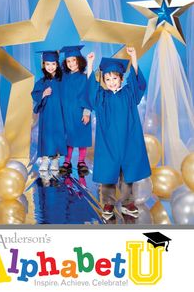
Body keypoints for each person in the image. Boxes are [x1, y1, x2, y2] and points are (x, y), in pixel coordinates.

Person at [86, 47, 151, 220]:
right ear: (104, 81)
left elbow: (139, 84)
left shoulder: (129, 93)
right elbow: (90, 91)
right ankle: (108, 203)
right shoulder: (102, 97)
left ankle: (128, 203)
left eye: (115, 78)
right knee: (108, 173)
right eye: (107, 79)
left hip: (128, 139)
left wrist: (134, 58)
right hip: (108, 142)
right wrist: (90, 64)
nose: (111, 82)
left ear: (121, 78)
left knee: (127, 173)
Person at [59, 45, 92, 183]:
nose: (71, 63)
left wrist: (87, 112)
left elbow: (89, 94)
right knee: (68, 139)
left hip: (80, 112)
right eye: (68, 61)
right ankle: (67, 162)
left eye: (74, 60)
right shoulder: (64, 78)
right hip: (67, 113)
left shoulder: (84, 77)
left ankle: (81, 162)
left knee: (81, 138)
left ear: (79, 60)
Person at [31, 50, 67, 172]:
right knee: (47, 136)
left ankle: (55, 160)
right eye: (47, 64)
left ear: (57, 64)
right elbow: (35, 95)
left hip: (59, 115)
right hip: (46, 115)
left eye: (53, 64)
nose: (50, 67)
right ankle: (45, 159)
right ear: (44, 65)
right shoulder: (41, 82)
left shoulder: (62, 81)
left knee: (58, 135)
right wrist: (43, 94)